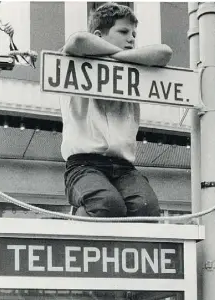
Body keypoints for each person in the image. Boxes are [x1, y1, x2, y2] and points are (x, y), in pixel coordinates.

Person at [61, 3, 172, 218]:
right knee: (106, 204)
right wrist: (120, 55)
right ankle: (78, 222)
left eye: (133, 34)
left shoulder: (134, 72)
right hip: (84, 163)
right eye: (123, 31)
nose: (131, 38)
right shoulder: (74, 62)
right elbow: (78, 41)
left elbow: (165, 52)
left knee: (147, 209)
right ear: (99, 35)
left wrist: (118, 57)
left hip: (123, 167)